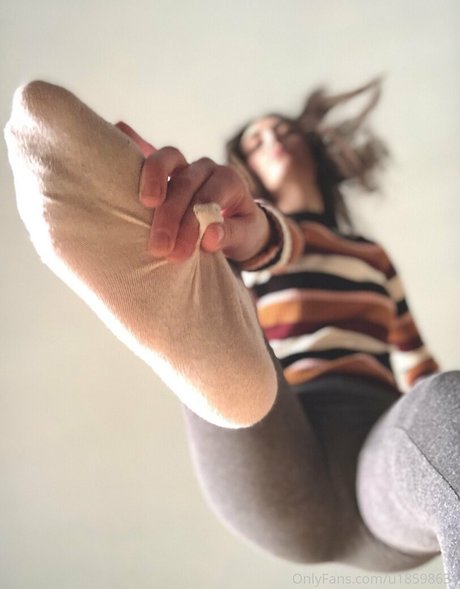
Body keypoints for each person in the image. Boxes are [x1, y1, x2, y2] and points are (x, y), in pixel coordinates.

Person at [117, 78, 460, 584]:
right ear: (248, 170)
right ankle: (132, 217)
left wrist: (443, 424)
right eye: (255, 141)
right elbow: (272, 240)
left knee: (449, 401)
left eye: (283, 130)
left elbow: (415, 360)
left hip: (382, 463)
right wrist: (246, 232)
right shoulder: (247, 246)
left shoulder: (371, 256)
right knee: (205, 269)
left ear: (312, 148)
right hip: (278, 448)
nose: (272, 139)